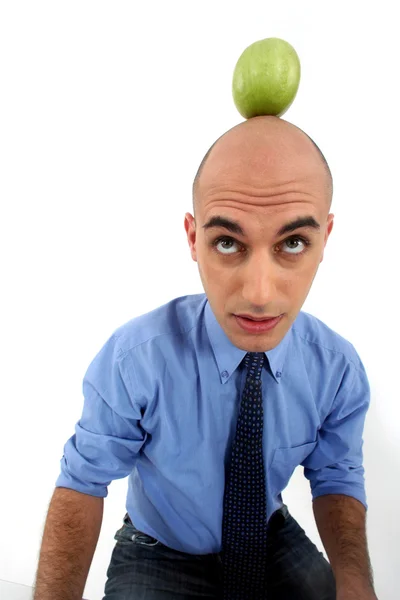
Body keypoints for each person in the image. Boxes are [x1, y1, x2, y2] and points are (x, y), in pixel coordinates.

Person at [33, 116, 377, 600]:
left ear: (326, 238)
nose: (259, 295)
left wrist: (357, 584)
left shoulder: (336, 370)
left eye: (293, 242)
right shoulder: (136, 360)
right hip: (158, 549)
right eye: (228, 242)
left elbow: (337, 473)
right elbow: (82, 482)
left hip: (269, 535)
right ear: (193, 239)